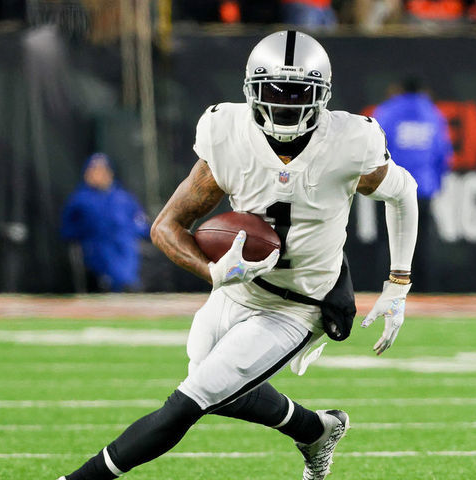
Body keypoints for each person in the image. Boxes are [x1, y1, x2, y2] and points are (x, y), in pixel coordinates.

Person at [57, 30, 418, 480]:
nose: (286, 105)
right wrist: (213, 270)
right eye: (275, 93)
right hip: (239, 288)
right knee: (217, 387)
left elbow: (404, 192)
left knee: (188, 400)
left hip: (299, 304)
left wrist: (398, 283)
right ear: (251, 91)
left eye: (298, 94)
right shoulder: (226, 132)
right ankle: (317, 430)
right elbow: (166, 227)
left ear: (321, 96)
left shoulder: (350, 140)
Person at [373, 76, 452, 292]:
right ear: (423, 90)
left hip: (389, 188)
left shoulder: (387, 112)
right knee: (422, 244)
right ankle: (425, 295)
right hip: (422, 191)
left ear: (397, 89)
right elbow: (443, 155)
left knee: (389, 244)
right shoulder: (433, 114)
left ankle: (388, 292)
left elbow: (372, 150)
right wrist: (435, 183)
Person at [61, 153, 151, 292]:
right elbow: (67, 230)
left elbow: (142, 223)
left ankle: (128, 283)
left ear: (110, 173)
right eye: (94, 171)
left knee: (128, 247)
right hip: (95, 244)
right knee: (106, 253)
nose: (98, 175)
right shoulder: (80, 199)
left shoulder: (124, 198)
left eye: (102, 171)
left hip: (125, 243)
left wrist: (135, 231)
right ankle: (124, 284)